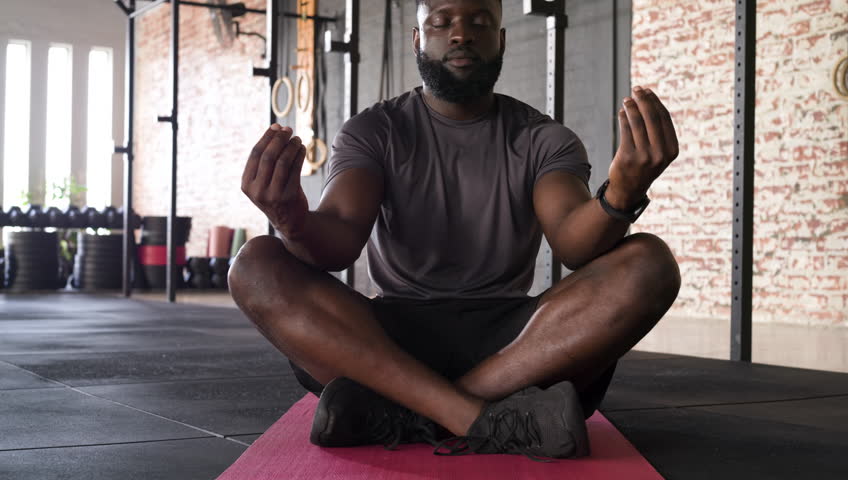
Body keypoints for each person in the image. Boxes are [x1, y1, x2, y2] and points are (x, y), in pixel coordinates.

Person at [229, 0, 680, 461]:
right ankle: (483, 417)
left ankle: (408, 412)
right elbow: (339, 241)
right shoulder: (374, 130)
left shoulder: (542, 138)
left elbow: (573, 242)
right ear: (417, 39)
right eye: (442, 22)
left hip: (516, 343)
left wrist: (622, 193)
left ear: (501, 40)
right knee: (254, 264)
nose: (461, 35)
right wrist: (291, 219)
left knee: (650, 264)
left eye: (479, 23)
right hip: (393, 337)